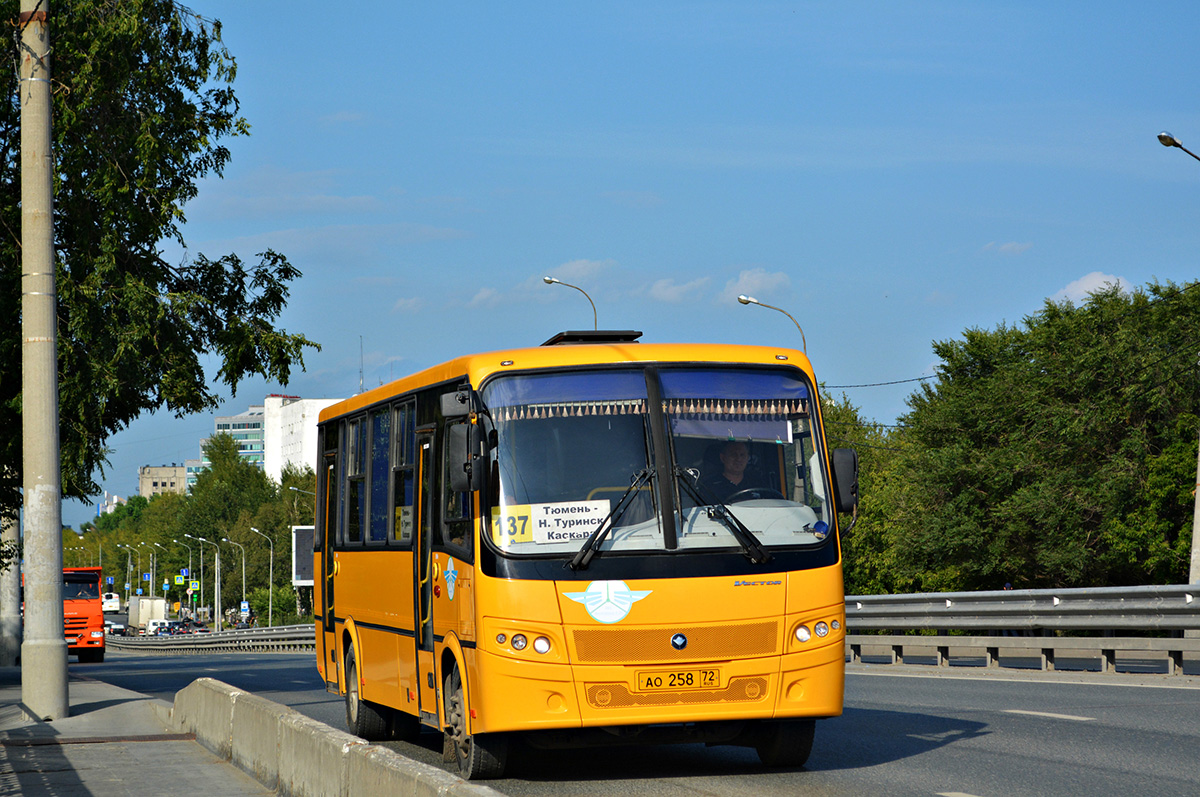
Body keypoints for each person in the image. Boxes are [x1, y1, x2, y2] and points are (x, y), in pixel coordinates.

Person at [700, 440, 769, 502]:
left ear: (747, 458)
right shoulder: (709, 486)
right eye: (733, 455)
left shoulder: (758, 484)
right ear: (723, 458)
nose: (738, 459)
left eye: (742, 455)